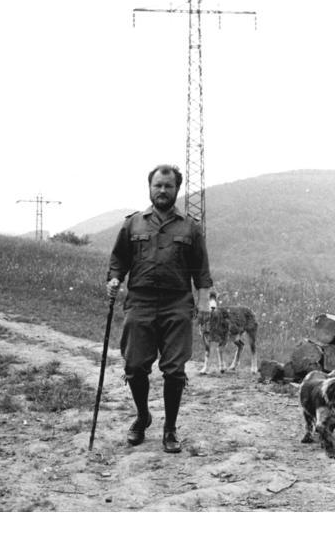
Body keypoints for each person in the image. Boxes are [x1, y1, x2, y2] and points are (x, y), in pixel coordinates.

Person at [107, 164, 213, 453]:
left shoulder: (190, 227)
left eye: (168, 186)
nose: (162, 191)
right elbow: (118, 260)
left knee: (174, 370)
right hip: (140, 302)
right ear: (150, 188)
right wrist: (115, 278)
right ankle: (143, 416)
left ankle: (170, 428)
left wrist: (203, 302)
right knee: (134, 367)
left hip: (176, 304)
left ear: (177, 190)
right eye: (158, 185)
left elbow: (201, 270)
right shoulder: (133, 224)